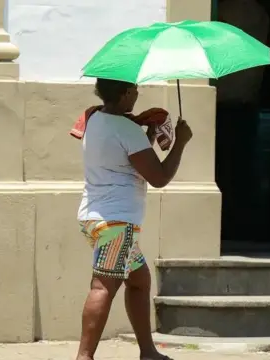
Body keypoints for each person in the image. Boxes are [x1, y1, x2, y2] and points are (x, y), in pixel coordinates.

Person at [75, 78, 193, 360]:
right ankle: (84, 356)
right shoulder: (127, 128)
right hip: (118, 223)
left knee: (139, 280)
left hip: (95, 218)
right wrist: (181, 143)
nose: (138, 94)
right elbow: (159, 177)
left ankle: (148, 351)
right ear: (126, 93)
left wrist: (148, 135)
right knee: (103, 286)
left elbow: (128, 161)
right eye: (136, 89)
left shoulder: (94, 119)